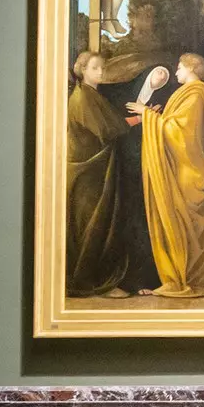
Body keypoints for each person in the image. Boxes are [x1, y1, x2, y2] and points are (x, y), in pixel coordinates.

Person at [130, 53, 204, 299]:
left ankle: (183, 277)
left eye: (179, 68)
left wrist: (146, 114)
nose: (176, 72)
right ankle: (184, 274)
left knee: (182, 224)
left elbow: (180, 133)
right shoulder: (194, 93)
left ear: (191, 68)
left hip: (188, 171)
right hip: (187, 169)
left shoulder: (196, 94)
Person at [66, 51, 132, 298]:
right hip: (88, 172)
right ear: (82, 70)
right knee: (93, 224)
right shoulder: (82, 98)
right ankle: (93, 282)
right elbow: (107, 130)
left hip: (96, 171)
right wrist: (141, 119)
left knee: (100, 223)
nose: (101, 72)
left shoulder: (92, 94)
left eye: (103, 67)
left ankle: (95, 279)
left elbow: (110, 122)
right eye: (95, 68)